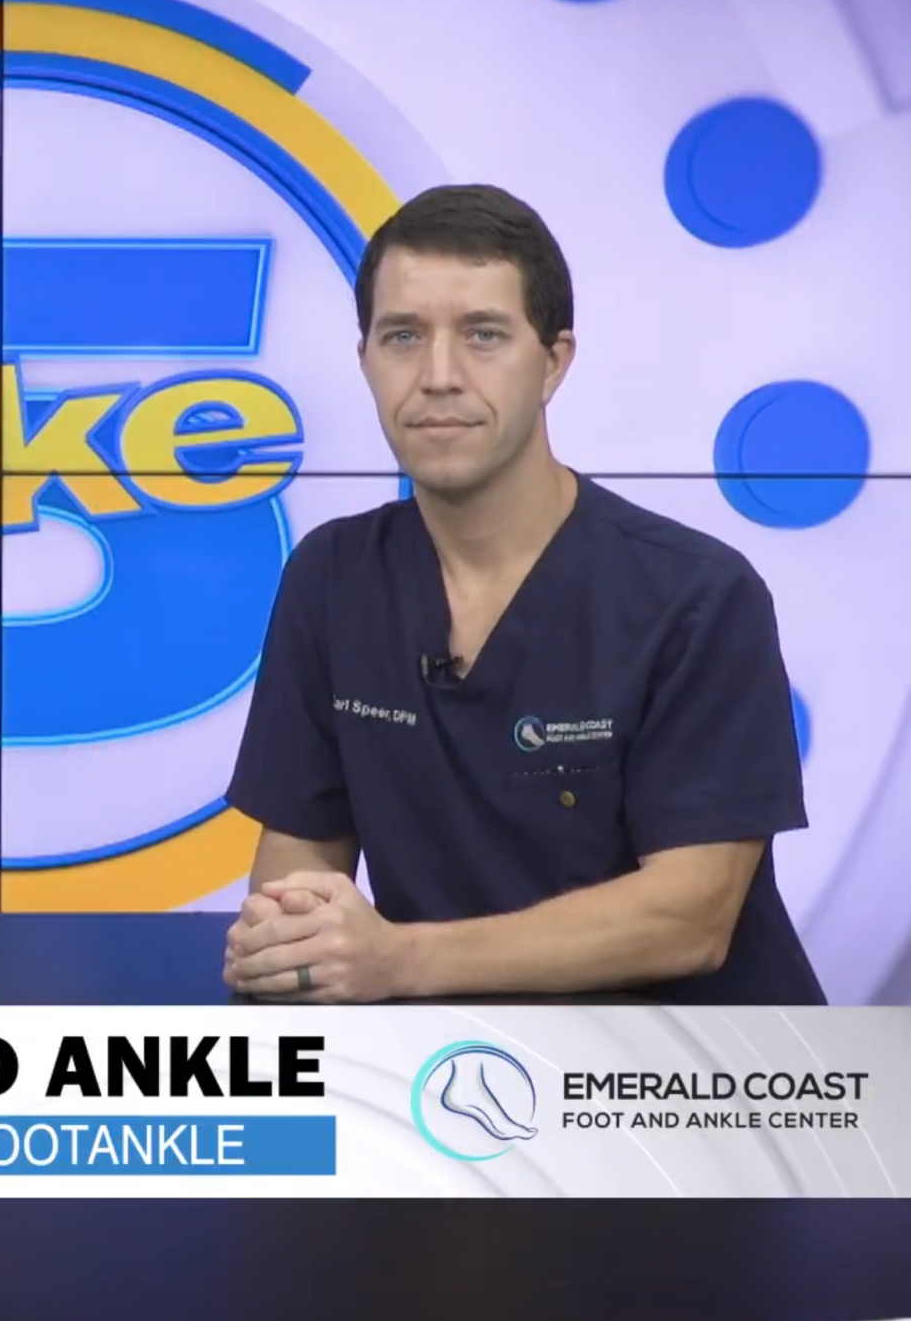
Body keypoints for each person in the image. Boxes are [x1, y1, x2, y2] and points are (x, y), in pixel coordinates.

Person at [220, 185, 825, 1006]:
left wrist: (397, 961)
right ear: (365, 360)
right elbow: (298, 864)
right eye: (403, 336)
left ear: (553, 362)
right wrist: (290, 948)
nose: (438, 377)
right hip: (447, 1066)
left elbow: (689, 917)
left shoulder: (698, 596)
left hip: (689, 1068)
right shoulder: (331, 576)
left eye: (484, 335)